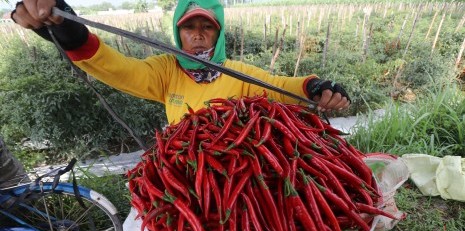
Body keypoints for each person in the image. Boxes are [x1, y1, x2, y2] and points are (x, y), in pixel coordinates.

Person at [10, 0, 351, 125]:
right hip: (187, 173)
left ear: (218, 35)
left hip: (237, 173)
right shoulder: (164, 72)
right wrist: (69, 31)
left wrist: (315, 87)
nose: (198, 35)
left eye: (207, 27)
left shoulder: (241, 75)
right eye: (189, 27)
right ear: (178, 32)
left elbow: (282, 88)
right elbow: (117, 67)